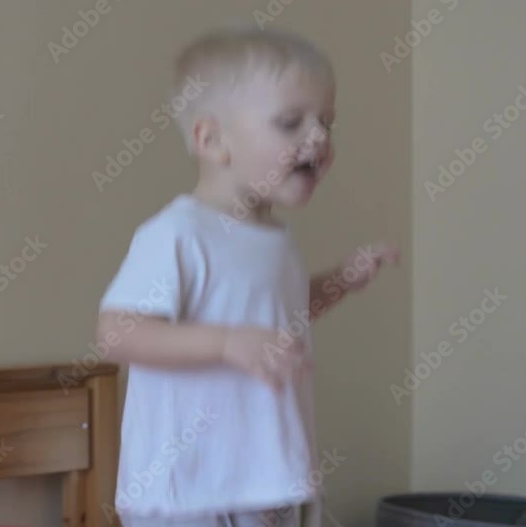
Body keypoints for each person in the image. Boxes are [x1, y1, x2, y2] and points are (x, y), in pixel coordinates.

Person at [96, 24, 400, 527]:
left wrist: (341, 280)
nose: (319, 137)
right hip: (188, 491)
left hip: (267, 481)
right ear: (213, 140)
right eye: (290, 122)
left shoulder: (275, 240)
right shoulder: (178, 233)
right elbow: (116, 333)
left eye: (326, 121)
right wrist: (226, 343)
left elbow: (280, 317)